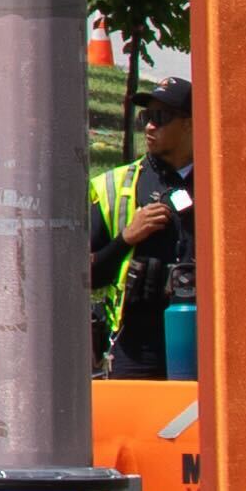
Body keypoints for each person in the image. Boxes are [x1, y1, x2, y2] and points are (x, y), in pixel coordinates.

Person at [94, 82, 198, 377]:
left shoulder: (221, 184)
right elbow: (84, 275)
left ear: (190, 124)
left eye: (161, 117)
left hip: (211, 336)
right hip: (137, 344)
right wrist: (126, 238)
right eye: (145, 118)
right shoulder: (114, 186)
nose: (150, 126)